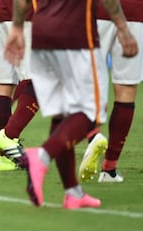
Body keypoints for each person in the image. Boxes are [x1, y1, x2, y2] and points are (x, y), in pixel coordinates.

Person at [5, 0, 138, 209]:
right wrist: (123, 27)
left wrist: (16, 27)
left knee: (62, 115)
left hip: (41, 36)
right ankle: (41, 156)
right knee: (90, 115)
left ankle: (73, 192)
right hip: (77, 39)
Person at [79, 0, 143, 183]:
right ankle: (109, 168)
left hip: (96, 10)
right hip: (134, 13)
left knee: (83, 81)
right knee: (126, 88)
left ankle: (93, 136)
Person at [0, 0, 39, 171]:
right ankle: (8, 137)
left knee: (4, 81)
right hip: (18, 8)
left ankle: (6, 159)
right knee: (39, 80)